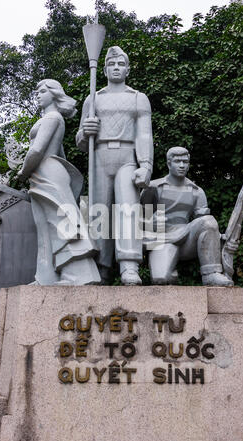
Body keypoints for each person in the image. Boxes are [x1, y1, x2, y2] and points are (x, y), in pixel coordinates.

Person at [76, 46, 154, 285]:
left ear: (128, 69)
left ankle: (129, 266)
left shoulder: (138, 98)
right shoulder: (94, 98)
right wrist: (85, 132)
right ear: (106, 69)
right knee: (100, 213)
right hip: (99, 156)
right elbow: (80, 141)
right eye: (112, 64)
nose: (116, 68)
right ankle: (102, 267)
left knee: (128, 209)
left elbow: (144, 135)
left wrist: (146, 165)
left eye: (121, 64)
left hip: (127, 156)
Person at [18, 79, 100, 285]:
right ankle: (45, 276)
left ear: (54, 94)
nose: (38, 94)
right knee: (44, 227)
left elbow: (37, 150)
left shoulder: (53, 117)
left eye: (42, 91)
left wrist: (22, 171)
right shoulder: (53, 119)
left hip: (46, 172)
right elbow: (61, 154)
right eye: (37, 91)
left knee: (61, 224)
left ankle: (77, 275)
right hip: (45, 173)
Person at [140, 146, 233, 286]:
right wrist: (149, 222)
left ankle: (211, 274)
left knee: (208, 221)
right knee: (161, 279)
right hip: (160, 239)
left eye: (185, 162)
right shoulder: (154, 188)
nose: (182, 165)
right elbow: (137, 220)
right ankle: (170, 273)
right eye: (177, 161)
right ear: (168, 163)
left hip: (186, 239)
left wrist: (220, 238)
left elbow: (206, 227)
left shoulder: (197, 191)